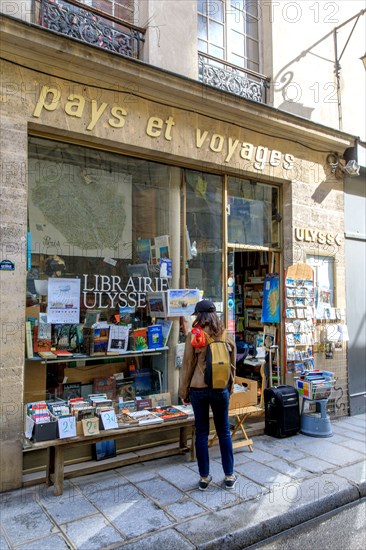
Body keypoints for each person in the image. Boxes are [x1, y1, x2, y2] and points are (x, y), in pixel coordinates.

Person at [179, 299, 237, 491]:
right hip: (220, 389)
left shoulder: (194, 335)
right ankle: (229, 476)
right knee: (224, 431)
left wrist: (183, 391)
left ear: (199, 316)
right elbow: (232, 365)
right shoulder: (225, 334)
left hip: (198, 389)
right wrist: (230, 386)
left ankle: (204, 478)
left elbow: (187, 366)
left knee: (202, 433)